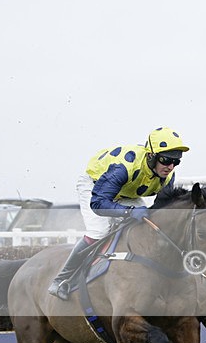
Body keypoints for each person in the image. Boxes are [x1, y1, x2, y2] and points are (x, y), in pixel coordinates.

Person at [48, 127, 189, 300]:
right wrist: (128, 212)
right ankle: (62, 279)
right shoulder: (123, 169)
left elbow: (160, 207)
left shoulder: (168, 176)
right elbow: (98, 204)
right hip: (95, 187)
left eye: (176, 162)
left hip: (126, 192)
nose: (171, 167)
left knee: (147, 224)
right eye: (166, 160)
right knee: (99, 231)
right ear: (151, 156)